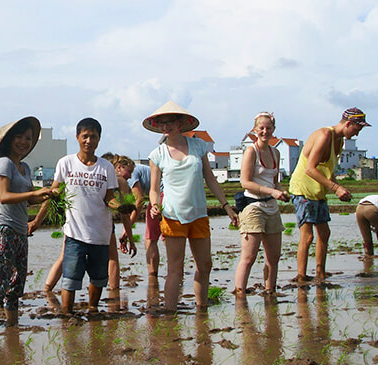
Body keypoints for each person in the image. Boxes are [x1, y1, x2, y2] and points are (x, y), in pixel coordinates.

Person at [145, 101, 238, 312]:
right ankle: (169, 312)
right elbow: (153, 188)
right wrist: (153, 205)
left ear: (181, 123)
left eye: (170, 122)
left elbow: (211, 179)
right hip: (172, 215)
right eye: (162, 123)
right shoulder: (157, 154)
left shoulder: (198, 147)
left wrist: (226, 206)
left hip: (198, 214)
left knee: (205, 265)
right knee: (175, 268)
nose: (166, 126)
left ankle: (201, 310)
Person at [33, 118, 132, 313]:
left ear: (99, 139)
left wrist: (120, 207)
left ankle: (93, 310)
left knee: (98, 278)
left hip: (100, 235)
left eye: (93, 137)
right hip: (74, 233)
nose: (89, 140)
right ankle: (67, 315)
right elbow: (54, 194)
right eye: (85, 136)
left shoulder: (106, 168)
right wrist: (36, 221)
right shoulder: (66, 163)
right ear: (77, 137)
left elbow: (109, 198)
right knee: (70, 279)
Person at [0, 117, 50, 329]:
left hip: (21, 231)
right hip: (4, 229)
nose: (24, 142)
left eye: (28, 138)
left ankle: (13, 332)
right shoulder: (3, 163)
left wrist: (48, 195)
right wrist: (37, 192)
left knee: (16, 285)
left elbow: (30, 198)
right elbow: (4, 196)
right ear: (9, 139)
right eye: (19, 137)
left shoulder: (25, 167)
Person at [288, 107, 370, 281]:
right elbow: (310, 169)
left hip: (318, 192)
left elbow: (326, 170)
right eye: (357, 129)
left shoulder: (339, 141)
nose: (357, 134)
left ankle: (321, 273)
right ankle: (301, 276)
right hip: (303, 189)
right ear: (348, 124)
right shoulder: (325, 135)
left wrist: (339, 187)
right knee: (308, 236)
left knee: (324, 234)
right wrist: (335, 188)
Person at [233, 112, 289, 296]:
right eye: (261, 128)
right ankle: (240, 293)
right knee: (249, 257)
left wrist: (281, 192)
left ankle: (270, 291)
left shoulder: (276, 152)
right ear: (255, 130)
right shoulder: (251, 151)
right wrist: (272, 191)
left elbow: (275, 181)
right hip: (253, 206)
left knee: (274, 257)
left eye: (269, 128)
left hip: (271, 207)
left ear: (274, 130)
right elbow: (245, 182)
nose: (265, 132)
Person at [113, 155, 162, 276]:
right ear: (119, 167)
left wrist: (125, 232)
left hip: (160, 196)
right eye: (128, 172)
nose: (130, 175)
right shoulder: (120, 179)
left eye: (130, 172)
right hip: (168, 195)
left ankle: (153, 277)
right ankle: (176, 274)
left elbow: (139, 201)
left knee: (150, 239)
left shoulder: (131, 175)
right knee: (169, 236)